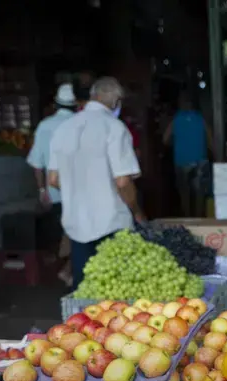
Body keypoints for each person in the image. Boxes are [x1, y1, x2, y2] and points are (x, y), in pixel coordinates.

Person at [48, 77, 144, 288]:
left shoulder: (64, 129)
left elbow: (53, 180)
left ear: (93, 97)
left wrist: (80, 191)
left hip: (77, 225)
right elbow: (122, 182)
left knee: (84, 292)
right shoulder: (114, 128)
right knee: (115, 293)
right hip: (112, 225)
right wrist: (137, 212)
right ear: (116, 101)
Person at [27, 83, 76, 285]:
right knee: (78, 234)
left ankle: (65, 271)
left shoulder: (45, 126)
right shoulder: (80, 124)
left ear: (55, 104)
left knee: (60, 235)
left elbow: (37, 163)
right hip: (79, 194)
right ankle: (69, 271)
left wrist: (41, 190)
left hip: (54, 193)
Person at [164, 91, 212, 217]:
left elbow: (165, 139)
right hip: (200, 161)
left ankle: (187, 220)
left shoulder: (176, 119)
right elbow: (210, 139)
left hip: (181, 162)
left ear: (180, 104)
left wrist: (176, 141)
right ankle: (198, 220)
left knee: (184, 194)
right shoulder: (200, 118)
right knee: (199, 194)